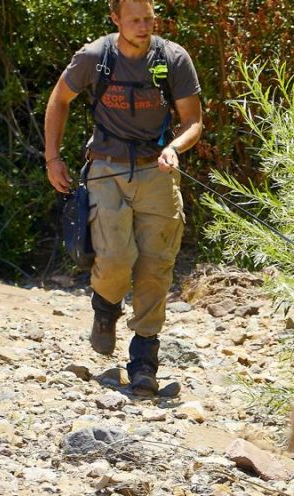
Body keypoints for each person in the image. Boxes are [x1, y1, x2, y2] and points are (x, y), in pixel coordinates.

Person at [44, 0, 202, 396]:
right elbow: (59, 99)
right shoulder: (95, 57)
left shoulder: (172, 58)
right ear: (115, 19)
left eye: (149, 18)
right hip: (106, 168)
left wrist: (174, 148)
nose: (144, 26)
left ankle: (144, 358)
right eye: (135, 20)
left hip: (157, 170)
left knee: (156, 265)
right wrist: (53, 158)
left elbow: (193, 121)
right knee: (114, 257)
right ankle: (105, 307)